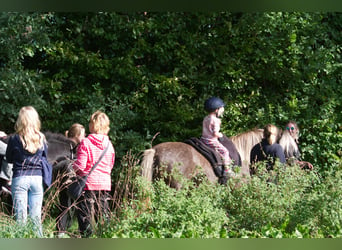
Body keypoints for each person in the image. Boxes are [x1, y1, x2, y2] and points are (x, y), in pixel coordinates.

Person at [5, 106, 48, 237]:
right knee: (36, 219)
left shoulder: (14, 139)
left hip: (20, 178)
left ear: (20, 120)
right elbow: (44, 157)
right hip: (37, 179)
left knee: (20, 219)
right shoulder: (41, 138)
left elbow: (9, 158)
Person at [72, 111, 115, 237]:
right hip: (104, 185)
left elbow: (81, 166)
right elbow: (110, 165)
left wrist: (72, 167)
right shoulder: (109, 145)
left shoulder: (86, 142)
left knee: (85, 219)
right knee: (103, 218)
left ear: (92, 126)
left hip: (88, 185)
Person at [54, 123, 85, 238]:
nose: (84, 137)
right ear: (77, 135)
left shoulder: (77, 146)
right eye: (83, 134)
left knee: (70, 205)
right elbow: (59, 162)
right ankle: (61, 232)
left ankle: (67, 230)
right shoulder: (64, 146)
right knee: (65, 204)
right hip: (64, 179)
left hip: (73, 179)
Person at [200, 97, 234, 185]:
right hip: (211, 141)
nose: (222, 111)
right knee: (225, 151)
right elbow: (215, 133)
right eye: (221, 109)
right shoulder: (216, 121)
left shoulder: (206, 118)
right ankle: (227, 170)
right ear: (216, 110)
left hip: (203, 140)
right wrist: (221, 135)